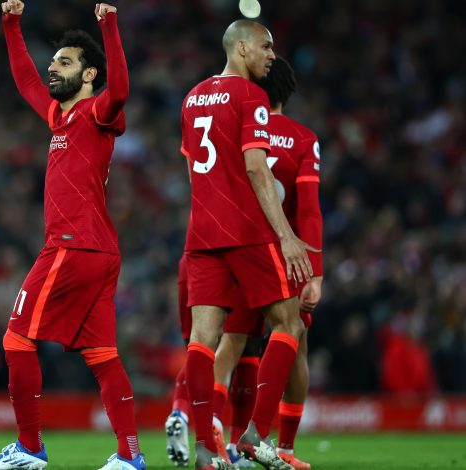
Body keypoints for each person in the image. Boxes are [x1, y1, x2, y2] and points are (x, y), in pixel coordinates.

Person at [0, 2, 144, 470]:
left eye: (64, 62)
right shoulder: (58, 117)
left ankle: (29, 447)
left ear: (89, 75)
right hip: (99, 250)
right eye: (53, 61)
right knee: (103, 355)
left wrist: (108, 24)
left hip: (73, 244)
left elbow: (121, 89)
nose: (52, 68)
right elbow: (25, 80)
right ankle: (130, 456)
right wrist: (11, 25)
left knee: (16, 339)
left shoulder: (97, 112)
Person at [178, 20, 318, 470]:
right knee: (289, 324)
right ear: (241, 47)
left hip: (203, 233)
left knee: (203, 340)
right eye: (266, 46)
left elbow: (193, 171)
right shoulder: (252, 96)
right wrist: (286, 235)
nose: (271, 55)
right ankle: (257, 434)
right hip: (246, 231)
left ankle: (205, 449)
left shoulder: (193, 97)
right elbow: (257, 167)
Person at [210, 56, 322, 470]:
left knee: (231, 341)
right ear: (288, 90)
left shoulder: (232, 126)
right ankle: (282, 444)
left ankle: (214, 431)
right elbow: (308, 210)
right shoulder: (303, 138)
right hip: (282, 254)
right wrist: (316, 272)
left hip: (234, 246)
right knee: (294, 339)